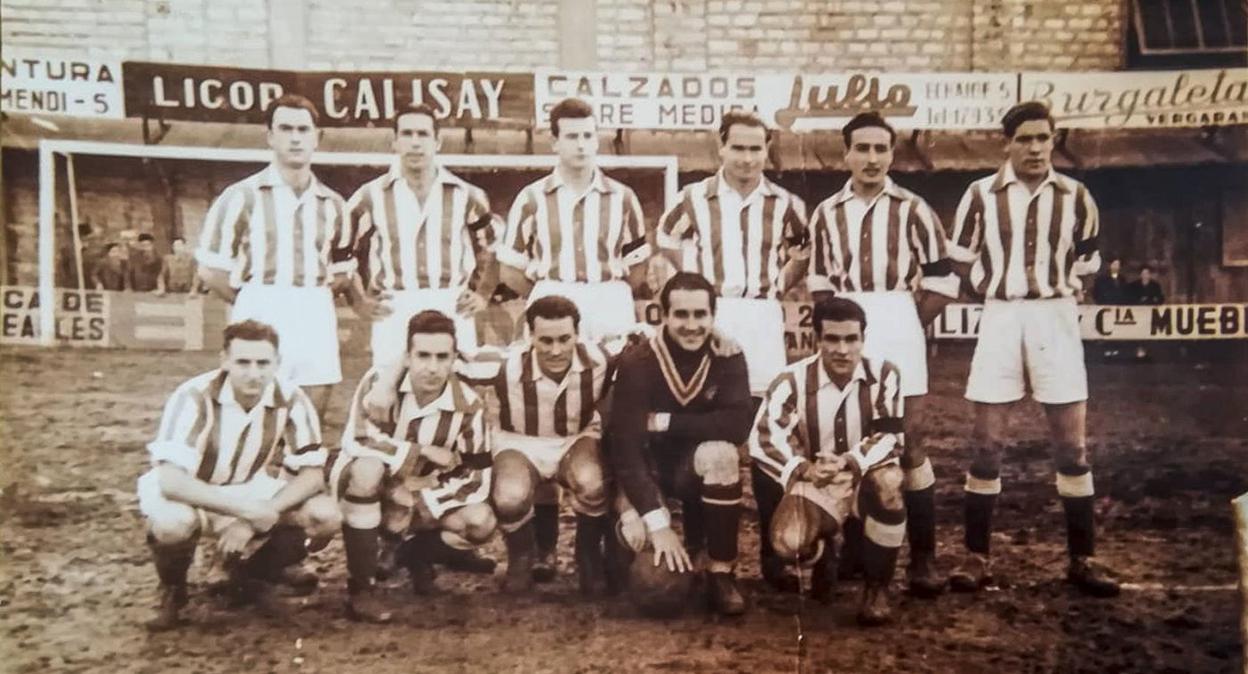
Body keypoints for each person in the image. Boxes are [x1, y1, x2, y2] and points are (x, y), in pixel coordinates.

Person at [946, 101, 1119, 598]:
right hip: (1001, 317)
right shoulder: (979, 194)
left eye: (1044, 138)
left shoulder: (1076, 196)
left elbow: (1088, 262)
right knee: (986, 445)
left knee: (1072, 447)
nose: (1036, 148)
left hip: (1055, 317)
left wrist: (1056, 290)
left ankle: (1082, 558)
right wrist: (990, 287)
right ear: (1007, 143)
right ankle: (976, 556)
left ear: (1054, 141)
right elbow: (961, 260)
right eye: (1025, 138)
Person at [803, 111, 958, 598]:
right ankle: (855, 549)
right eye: (862, 148)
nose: (871, 158)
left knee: (908, 443)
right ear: (846, 153)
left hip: (897, 314)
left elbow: (942, 283)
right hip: (846, 320)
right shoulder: (826, 212)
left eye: (881, 149)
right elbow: (819, 283)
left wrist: (906, 322)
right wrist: (837, 325)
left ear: (892, 154)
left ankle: (923, 557)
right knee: (849, 437)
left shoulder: (915, 208)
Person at [138, 320, 340, 631]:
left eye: (263, 363)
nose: (253, 373)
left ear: (277, 363)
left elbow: (312, 475)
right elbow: (171, 481)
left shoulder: (291, 398)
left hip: (248, 487)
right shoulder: (194, 395)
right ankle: (173, 590)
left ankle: (249, 576)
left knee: (325, 515)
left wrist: (258, 515)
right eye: (243, 362)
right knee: (171, 523)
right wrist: (247, 512)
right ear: (224, 360)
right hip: (194, 490)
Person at [749, 296, 907, 625]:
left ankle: (876, 590)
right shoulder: (791, 380)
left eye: (851, 339)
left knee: (890, 482)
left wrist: (849, 462)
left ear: (863, 338)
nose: (842, 350)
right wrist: (805, 468)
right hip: (815, 482)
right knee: (788, 542)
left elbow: (890, 437)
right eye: (832, 339)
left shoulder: (885, 374)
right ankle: (822, 553)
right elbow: (765, 437)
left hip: (861, 479)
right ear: (817, 339)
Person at [330, 310, 495, 623]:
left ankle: (412, 553)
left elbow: (476, 475)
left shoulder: (470, 405)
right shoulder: (379, 383)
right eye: (423, 356)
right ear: (406, 357)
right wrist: (420, 453)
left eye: (442, 357)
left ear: (454, 359)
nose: (432, 367)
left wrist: (421, 502)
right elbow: (359, 440)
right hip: (372, 485)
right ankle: (362, 588)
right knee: (367, 470)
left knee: (480, 521)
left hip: (422, 492)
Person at [195, 94, 352, 419]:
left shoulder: (334, 204)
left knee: (312, 405)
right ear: (270, 136)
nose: (295, 138)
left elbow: (341, 271)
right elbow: (211, 271)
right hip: (260, 303)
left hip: (314, 307)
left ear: (317, 137)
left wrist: (308, 297)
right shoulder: (240, 197)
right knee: (252, 406)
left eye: (303, 130)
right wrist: (252, 299)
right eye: (285, 129)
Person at [606, 272, 754, 616]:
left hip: (691, 468)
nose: (691, 325)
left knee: (721, 454)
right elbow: (626, 449)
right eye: (681, 314)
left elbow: (737, 426)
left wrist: (665, 422)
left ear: (713, 316)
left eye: (700, 314)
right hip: (645, 471)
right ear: (663, 315)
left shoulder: (728, 356)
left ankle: (720, 571)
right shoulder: (639, 360)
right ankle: (618, 550)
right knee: (644, 559)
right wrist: (658, 524)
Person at [456, 296, 622, 595]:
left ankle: (587, 556)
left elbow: (647, 336)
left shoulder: (600, 357)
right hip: (520, 442)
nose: (556, 350)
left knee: (592, 481)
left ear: (577, 334)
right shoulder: (504, 364)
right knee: (509, 497)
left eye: (564, 339)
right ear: (529, 335)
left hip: (575, 438)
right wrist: (389, 381)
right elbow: (446, 359)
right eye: (545, 340)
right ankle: (522, 556)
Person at [655, 109, 808, 397]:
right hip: (712, 313)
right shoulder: (694, 197)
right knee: (705, 397)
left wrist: (780, 284)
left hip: (762, 313)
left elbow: (802, 253)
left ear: (767, 149)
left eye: (755, 149)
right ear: (721, 147)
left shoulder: (785, 203)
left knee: (762, 399)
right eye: (738, 148)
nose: (747, 158)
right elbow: (665, 236)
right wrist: (689, 276)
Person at [337, 103, 498, 368]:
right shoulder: (370, 196)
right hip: (394, 305)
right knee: (390, 386)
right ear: (395, 142)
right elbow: (343, 253)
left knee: (456, 382)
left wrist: (482, 294)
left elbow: (492, 248)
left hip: (451, 302)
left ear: (437, 141)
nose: (415, 143)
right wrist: (359, 301)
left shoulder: (466, 195)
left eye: (423, 134)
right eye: (407, 134)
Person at [498, 97, 651, 341]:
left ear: (596, 140)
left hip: (609, 302)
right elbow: (509, 270)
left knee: (615, 363)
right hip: (552, 298)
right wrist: (546, 292)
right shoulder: (531, 198)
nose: (581, 145)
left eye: (587, 136)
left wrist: (609, 293)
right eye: (571, 137)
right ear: (554, 142)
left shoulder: (623, 197)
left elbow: (638, 264)